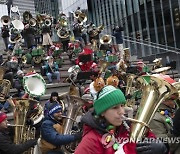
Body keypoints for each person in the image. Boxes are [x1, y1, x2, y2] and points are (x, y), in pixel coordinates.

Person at [75, 85, 168, 154]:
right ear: (102, 112)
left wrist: (163, 149)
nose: (122, 111)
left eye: (122, 106)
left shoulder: (131, 127)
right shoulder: (91, 140)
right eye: (115, 107)